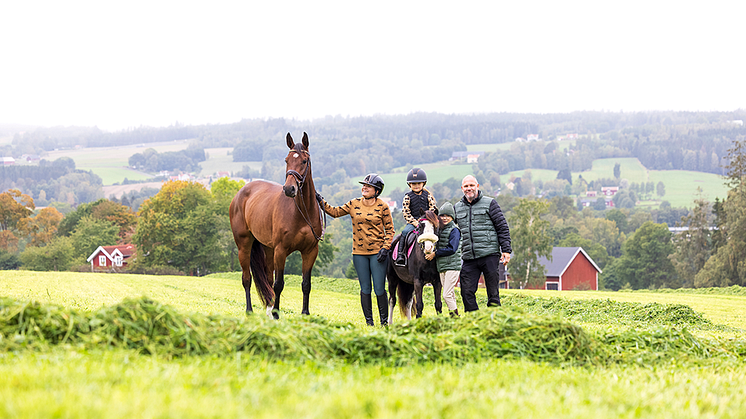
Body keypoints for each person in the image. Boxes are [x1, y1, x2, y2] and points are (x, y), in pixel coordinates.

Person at [322, 173, 395, 326]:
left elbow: (390, 231)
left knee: (380, 289)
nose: (364, 187)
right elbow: (335, 212)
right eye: (364, 185)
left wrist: (385, 248)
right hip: (359, 254)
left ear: (377, 190)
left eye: (368, 186)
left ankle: (384, 323)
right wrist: (320, 201)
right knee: (365, 288)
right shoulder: (353, 203)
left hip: (378, 254)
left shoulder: (383, 206)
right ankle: (369, 323)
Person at [454, 175, 512, 312]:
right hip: (469, 257)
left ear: (477, 186)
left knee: (493, 293)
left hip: (489, 254)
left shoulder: (490, 203)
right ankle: (474, 320)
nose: (469, 188)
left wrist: (506, 250)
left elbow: (502, 227)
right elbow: (448, 227)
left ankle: (493, 320)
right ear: (462, 188)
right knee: (466, 291)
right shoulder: (457, 208)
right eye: (466, 186)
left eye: (472, 185)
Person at [394, 167, 438, 266]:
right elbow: (406, 213)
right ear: (409, 185)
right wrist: (415, 222)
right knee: (405, 232)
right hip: (413, 222)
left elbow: (432, 208)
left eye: (419, 183)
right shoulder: (407, 197)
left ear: (423, 183)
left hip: (427, 222)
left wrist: (429, 220)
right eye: (413, 184)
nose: (416, 186)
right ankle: (401, 255)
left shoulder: (428, 196)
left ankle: (439, 253)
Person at [424, 202, 461, 316]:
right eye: (442, 215)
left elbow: (452, 248)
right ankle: (454, 316)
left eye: (448, 216)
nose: (444, 218)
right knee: (450, 294)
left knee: (446, 295)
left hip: (452, 266)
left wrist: (435, 254)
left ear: (452, 217)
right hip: (442, 266)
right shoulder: (440, 230)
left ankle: (455, 316)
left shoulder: (454, 230)